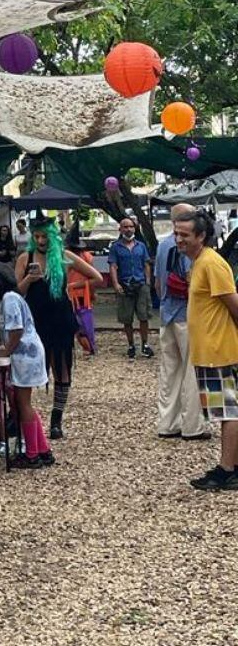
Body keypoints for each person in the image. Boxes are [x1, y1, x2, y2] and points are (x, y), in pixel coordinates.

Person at [18, 216, 101, 440]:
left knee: (62, 368)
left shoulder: (64, 255)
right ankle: (24, 417)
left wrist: (70, 286)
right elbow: (15, 291)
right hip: (36, 320)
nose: (41, 240)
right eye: (36, 236)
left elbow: (96, 277)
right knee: (33, 369)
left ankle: (56, 419)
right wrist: (29, 279)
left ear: (52, 235)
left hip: (61, 318)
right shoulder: (26, 258)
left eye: (44, 236)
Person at [175, 208, 238, 490]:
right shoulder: (199, 262)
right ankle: (231, 464)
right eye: (177, 234)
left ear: (201, 236)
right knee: (225, 410)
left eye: (185, 235)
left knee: (228, 411)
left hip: (220, 350)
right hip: (209, 350)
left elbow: (233, 304)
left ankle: (227, 469)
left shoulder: (212, 264)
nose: (179, 240)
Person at [0, 261, 54, 467]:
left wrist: (5, 350)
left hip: (25, 355)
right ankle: (42, 449)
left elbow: (16, 330)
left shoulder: (9, 299)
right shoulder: (12, 297)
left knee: (22, 403)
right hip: (28, 353)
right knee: (26, 404)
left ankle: (31, 454)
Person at [155, 203, 212, 441]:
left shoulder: (162, 245)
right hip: (186, 314)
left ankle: (167, 423)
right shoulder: (189, 247)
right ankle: (192, 426)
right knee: (192, 371)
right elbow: (194, 282)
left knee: (169, 371)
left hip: (166, 312)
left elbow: (157, 281)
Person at [107, 217, 155, 359]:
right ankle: (131, 345)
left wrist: (147, 281)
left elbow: (146, 263)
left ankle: (145, 345)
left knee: (144, 316)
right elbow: (113, 266)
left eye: (131, 227)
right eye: (125, 227)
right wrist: (115, 284)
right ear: (120, 229)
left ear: (134, 228)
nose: (128, 229)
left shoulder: (141, 245)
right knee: (126, 318)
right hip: (125, 284)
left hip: (141, 284)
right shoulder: (116, 247)